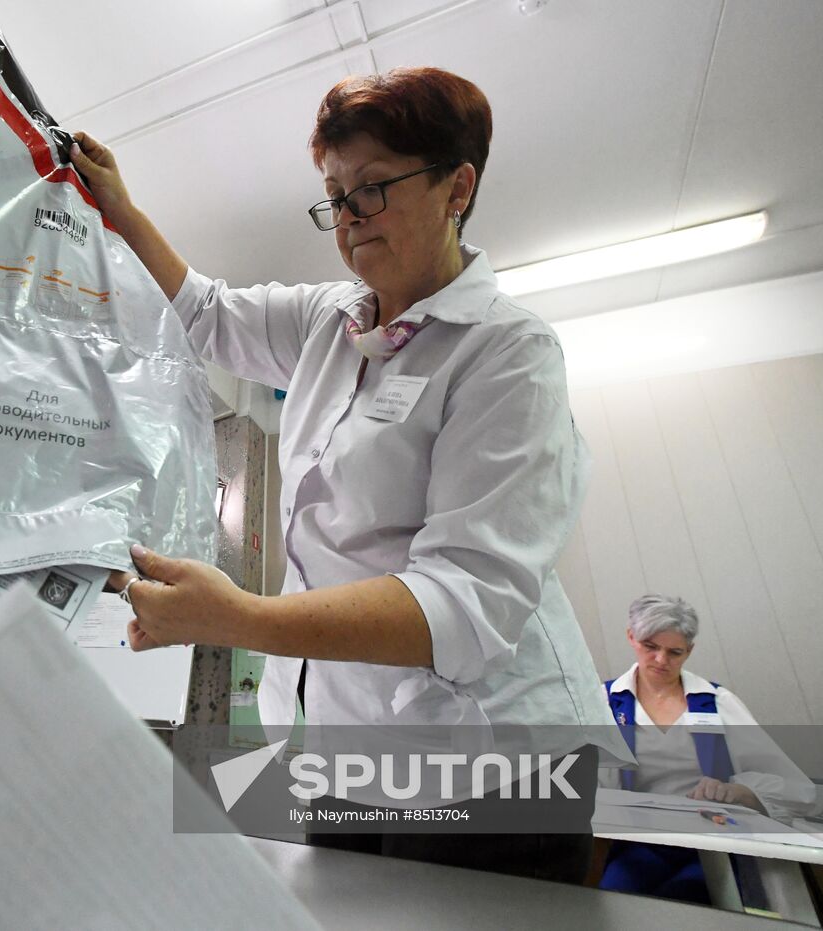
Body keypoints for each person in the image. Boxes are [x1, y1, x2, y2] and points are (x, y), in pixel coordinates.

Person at [71, 67, 621, 881]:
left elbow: (462, 603)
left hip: (498, 759)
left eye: (372, 188)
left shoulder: (507, 353)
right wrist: (122, 213)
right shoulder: (333, 320)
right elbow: (207, 315)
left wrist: (237, 618)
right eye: (334, 194)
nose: (349, 218)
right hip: (352, 744)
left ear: (456, 186)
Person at [599, 594, 817, 902]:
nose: (661, 660)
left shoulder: (716, 703)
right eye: (651, 646)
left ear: (689, 651)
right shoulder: (604, 703)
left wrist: (744, 792)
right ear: (631, 637)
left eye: (674, 652)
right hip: (640, 843)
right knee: (615, 899)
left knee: (688, 900)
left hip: (715, 841)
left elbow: (797, 788)